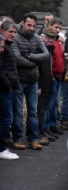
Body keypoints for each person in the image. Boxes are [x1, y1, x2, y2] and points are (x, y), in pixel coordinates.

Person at [11, 13, 49, 150]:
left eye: (34, 25)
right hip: (19, 80)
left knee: (33, 111)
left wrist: (30, 56)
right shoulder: (16, 37)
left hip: (33, 80)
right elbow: (16, 58)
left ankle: (33, 139)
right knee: (18, 111)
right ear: (22, 23)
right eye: (29, 25)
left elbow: (46, 55)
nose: (32, 28)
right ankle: (17, 139)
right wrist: (34, 63)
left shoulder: (37, 38)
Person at [42, 17, 65, 138]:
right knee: (48, 104)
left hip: (58, 76)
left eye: (60, 28)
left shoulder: (57, 42)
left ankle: (51, 125)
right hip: (52, 76)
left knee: (54, 103)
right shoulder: (49, 42)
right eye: (56, 27)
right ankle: (45, 127)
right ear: (49, 25)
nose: (57, 30)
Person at [0, 25, 19, 159]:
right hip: (4, 88)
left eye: (14, 32)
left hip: (7, 87)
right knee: (7, 119)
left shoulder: (8, 46)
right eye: (10, 32)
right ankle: (1, 148)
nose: (13, 34)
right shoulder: (5, 48)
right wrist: (8, 85)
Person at [38, 27, 57, 143]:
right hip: (40, 82)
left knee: (46, 107)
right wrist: (38, 85)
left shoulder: (49, 48)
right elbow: (38, 68)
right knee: (39, 109)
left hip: (48, 80)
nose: (51, 40)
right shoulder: (40, 48)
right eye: (49, 37)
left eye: (53, 38)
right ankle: (39, 132)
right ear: (42, 37)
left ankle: (43, 129)